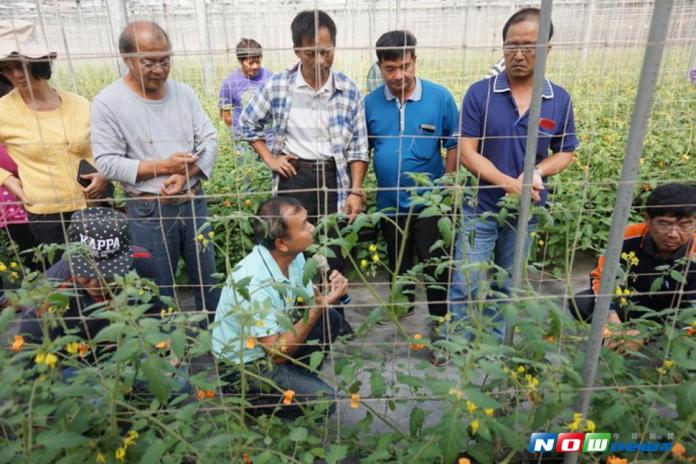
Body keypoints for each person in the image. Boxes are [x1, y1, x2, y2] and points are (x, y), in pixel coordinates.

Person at [450, 8, 580, 333]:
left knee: (510, 282)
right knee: (466, 279)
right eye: (511, 46)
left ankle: (497, 341)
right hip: (479, 207)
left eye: (529, 46)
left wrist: (536, 171)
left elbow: (566, 152)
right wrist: (510, 183)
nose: (518, 55)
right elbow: (467, 152)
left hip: (527, 208)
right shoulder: (481, 93)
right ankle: (456, 342)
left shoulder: (558, 100)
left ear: (547, 50)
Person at [239, 9, 369, 335]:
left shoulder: (349, 90)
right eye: (312, 52)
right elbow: (247, 123)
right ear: (297, 50)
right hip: (294, 177)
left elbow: (358, 147)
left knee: (335, 248)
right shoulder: (279, 86)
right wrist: (269, 158)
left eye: (327, 50)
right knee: (292, 249)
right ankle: (293, 320)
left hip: (334, 177)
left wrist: (355, 189)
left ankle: (334, 318)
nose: (321, 59)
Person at [91, 20, 220, 317]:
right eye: (148, 62)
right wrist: (164, 166)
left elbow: (210, 138)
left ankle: (217, 346)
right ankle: (166, 357)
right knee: (156, 288)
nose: (159, 70)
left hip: (192, 201)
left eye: (165, 60)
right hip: (148, 210)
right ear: (126, 58)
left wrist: (186, 173)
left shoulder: (184, 94)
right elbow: (107, 162)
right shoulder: (108, 102)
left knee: (208, 281)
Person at [212, 197, 346, 418]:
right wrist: (315, 310)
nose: (312, 227)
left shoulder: (295, 256)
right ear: (282, 243)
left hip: (270, 347)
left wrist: (325, 296)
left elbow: (304, 298)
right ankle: (253, 402)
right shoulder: (254, 281)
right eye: (304, 225)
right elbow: (275, 353)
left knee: (330, 319)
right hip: (244, 367)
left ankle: (294, 384)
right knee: (324, 400)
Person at [363, 31, 458, 333]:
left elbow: (454, 142)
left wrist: (449, 181)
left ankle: (440, 327)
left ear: (415, 61)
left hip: (431, 205)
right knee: (398, 260)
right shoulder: (369, 104)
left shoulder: (439, 97)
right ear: (380, 67)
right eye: (390, 69)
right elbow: (360, 149)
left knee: (436, 268)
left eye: (405, 66)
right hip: (389, 204)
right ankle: (403, 306)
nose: (399, 75)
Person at [0, 20, 109, 248]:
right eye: (7, 68)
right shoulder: (4, 111)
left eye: (21, 64)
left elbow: (106, 147)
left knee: (106, 275)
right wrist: (7, 179)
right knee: (64, 279)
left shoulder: (79, 104)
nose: (16, 74)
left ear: (38, 62)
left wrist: (104, 174)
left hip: (94, 205)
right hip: (48, 216)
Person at [570, 183, 695, 348]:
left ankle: (661, 343)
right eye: (663, 224)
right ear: (647, 219)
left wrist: (647, 335)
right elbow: (602, 276)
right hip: (633, 306)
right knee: (582, 302)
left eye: (684, 225)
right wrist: (611, 316)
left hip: (676, 316)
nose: (672, 234)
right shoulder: (629, 236)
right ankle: (619, 338)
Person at [16, 207, 161, 342]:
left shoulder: (142, 262)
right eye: (86, 273)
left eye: (108, 274)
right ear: (70, 260)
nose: (96, 283)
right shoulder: (47, 293)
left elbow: (156, 314)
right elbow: (31, 350)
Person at [218, 38, 272, 137]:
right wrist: (239, 132)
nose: (255, 66)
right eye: (250, 63)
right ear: (240, 61)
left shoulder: (269, 77)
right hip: (243, 140)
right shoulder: (230, 83)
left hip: (267, 138)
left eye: (258, 61)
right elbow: (225, 115)